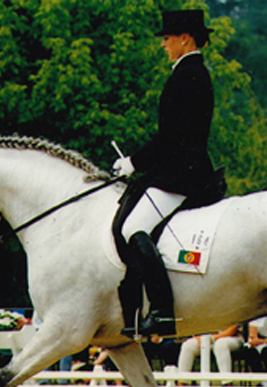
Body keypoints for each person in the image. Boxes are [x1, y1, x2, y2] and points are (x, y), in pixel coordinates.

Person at [115, 10, 217, 337]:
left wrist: (134, 162)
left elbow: (170, 137)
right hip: (179, 168)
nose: (162, 44)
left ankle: (161, 312)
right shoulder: (191, 73)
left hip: (180, 173)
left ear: (185, 39)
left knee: (133, 226)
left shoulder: (187, 76)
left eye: (167, 38)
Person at [177, 325, 244, 375]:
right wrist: (199, 338)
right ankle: (181, 385)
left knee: (221, 345)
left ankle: (227, 385)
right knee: (188, 345)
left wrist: (212, 339)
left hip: (231, 337)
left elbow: (233, 328)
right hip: (208, 337)